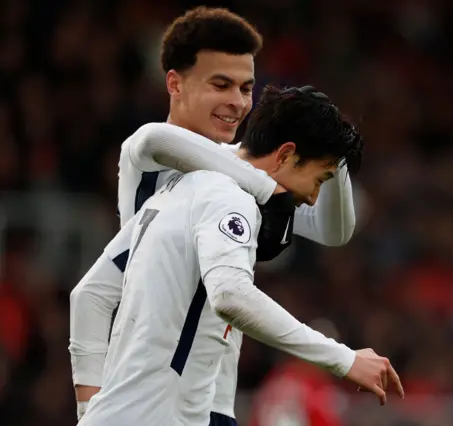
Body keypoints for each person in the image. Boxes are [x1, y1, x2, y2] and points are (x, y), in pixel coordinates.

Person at [69, 7, 357, 423]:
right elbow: (153, 138)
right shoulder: (179, 172)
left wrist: (334, 140)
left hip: (206, 401)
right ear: (175, 83)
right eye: (221, 84)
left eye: (246, 88)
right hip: (158, 399)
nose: (238, 102)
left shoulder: (241, 173)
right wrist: (90, 406)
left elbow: (335, 231)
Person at [77, 85, 401, 426]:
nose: (311, 198)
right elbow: (231, 295)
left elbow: (90, 294)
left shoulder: (180, 192)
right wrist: (343, 359)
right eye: (318, 179)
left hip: (150, 412)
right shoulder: (229, 198)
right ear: (287, 155)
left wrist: (91, 414)